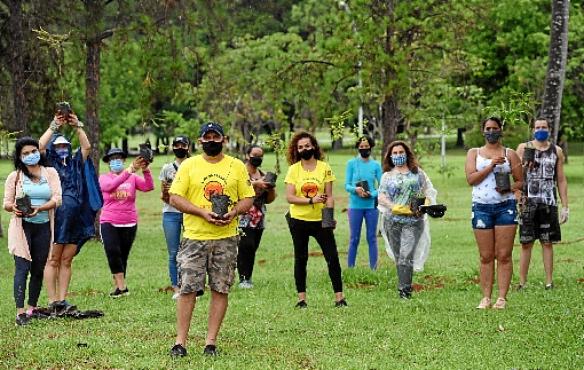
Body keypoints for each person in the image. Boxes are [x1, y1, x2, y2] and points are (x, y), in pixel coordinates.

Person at [168, 122, 254, 357]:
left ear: (224, 140)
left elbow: (248, 198)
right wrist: (202, 212)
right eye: (207, 137)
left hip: (226, 237)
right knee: (188, 289)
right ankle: (180, 342)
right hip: (195, 236)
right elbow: (175, 197)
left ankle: (210, 343)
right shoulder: (189, 165)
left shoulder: (236, 166)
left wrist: (234, 212)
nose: (212, 141)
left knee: (220, 288)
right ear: (200, 141)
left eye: (216, 137)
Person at [39, 107, 100, 315]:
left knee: (67, 259)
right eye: (59, 146)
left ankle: (63, 299)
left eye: (65, 145)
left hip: (76, 218)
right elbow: (39, 147)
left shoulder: (75, 163)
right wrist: (54, 126)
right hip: (57, 217)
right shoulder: (50, 164)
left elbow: (87, 147)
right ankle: (52, 300)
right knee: (53, 258)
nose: (62, 148)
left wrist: (77, 125)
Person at [465, 117, 522, 309]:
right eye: (488, 128)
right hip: (481, 207)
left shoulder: (510, 154)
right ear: (483, 131)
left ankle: (502, 298)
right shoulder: (474, 153)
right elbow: (471, 179)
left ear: (500, 130)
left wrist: (509, 188)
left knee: (504, 254)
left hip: (505, 207)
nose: (491, 131)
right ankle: (486, 297)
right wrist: (491, 165)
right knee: (486, 256)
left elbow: (521, 181)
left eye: (495, 128)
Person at [284, 131, 346, 309]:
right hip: (298, 220)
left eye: (307, 146)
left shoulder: (324, 167)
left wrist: (329, 217)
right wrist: (311, 200)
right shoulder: (293, 170)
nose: (305, 149)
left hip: (320, 221)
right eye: (301, 147)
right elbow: (290, 197)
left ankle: (339, 298)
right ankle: (301, 299)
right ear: (296, 150)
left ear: (314, 147)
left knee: (332, 257)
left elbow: (330, 196)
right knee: (300, 258)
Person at [3, 137, 62, 325]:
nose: (31, 156)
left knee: (38, 269)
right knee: (22, 268)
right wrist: (14, 208)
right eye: (25, 153)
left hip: (43, 225)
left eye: (33, 151)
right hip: (22, 227)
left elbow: (57, 198)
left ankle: (31, 308)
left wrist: (41, 208)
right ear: (20, 157)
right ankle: (20, 313)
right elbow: (6, 203)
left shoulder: (50, 172)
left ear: (39, 151)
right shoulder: (15, 177)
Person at [378, 140, 437, 299]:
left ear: (407, 154)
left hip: (413, 222)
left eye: (401, 152)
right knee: (399, 257)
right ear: (390, 156)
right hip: (392, 221)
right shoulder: (387, 176)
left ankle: (405, 291)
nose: (398, 155)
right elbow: (381, 196)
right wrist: (393, 206)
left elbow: (428, 193)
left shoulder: (418, 174)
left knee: (406, 255)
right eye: (395, 153)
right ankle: (404, 286)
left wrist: (424, 205)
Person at [516, 118, 569, 290]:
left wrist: (565, 206)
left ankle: (548, 281)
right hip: (527, 202)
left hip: (548, 203)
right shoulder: (524, 148)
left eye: (544, 127)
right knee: (526, 242)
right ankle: (522, 282)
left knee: (547, 242)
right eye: (537, 127)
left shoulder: (557, 151)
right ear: (532, 129)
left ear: (549, 129)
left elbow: (560, 179)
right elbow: (516, 175)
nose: (541, 130)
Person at [99, 148, 154, 298]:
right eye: (112, 159)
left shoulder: (133, 178)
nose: (116, 161)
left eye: (119, 158)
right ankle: (123, 288)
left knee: (123, 255)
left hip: (129, 221)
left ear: (123, 161)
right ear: (108, 163)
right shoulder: (104, 178)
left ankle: (118, 286)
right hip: (109, 221)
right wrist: (130, 170)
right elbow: (110, 187)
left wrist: (146, 169)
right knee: (113, 252)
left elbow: (148, 187)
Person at [237, 145, 277, 288]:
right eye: (255, 155)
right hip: (242, 215)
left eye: (260, 156)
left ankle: (248, 277)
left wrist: (271, 188)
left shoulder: (263, 174)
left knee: (253, 247)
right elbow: (239, 186)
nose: (257, 158)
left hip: (258, 217)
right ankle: (243, 278)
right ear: (247, 155)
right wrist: (256, 183)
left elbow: (269, 199)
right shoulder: (240, 171)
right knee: (245, 246)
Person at [160, 135, 191, 299]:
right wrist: (169, 193)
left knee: (191, 250)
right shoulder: (167, 168)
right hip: (170, 213)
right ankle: (176, 286)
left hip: (189, 213)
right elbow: (163, 195)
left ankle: (191, 284)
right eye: (177, 145)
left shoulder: (193, 166)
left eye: (183, 145)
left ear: (188, 147)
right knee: (173, 252)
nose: (180, 148)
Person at [344, 136, 382, 270]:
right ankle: (350, 269)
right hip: (355, 206)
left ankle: (374, 268)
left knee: (372, 238)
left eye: (367, 147)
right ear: (358, 148)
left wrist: (372, 194)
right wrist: (356, 190)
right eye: (361, 147)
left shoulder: (376, 165)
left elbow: (382, 186)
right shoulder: (351, 164)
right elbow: (346, 185)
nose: (364, 149)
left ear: (371, 147)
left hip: (371, 206)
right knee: (354, 238)